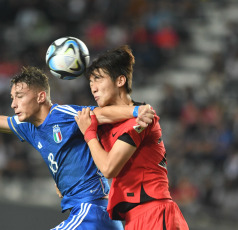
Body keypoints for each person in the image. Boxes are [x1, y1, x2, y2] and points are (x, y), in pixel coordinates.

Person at [0, 66, 155, 229]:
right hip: (92, 215)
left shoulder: (64, 116)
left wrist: (136, 111)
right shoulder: (27, 127)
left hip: (93, 210)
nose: (13, 103)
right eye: (11, 97)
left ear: (40, 96)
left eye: (19, 96)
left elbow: (102, 114)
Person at [75, 46, 189, 229]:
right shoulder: (108, 122)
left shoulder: (143, 119)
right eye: (90, 82)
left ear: (120, 80)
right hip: (133, 220)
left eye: (98, 79)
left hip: (155, 214)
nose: (93, 87)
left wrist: (89, 134)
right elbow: (95, 116)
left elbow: (108, 168)